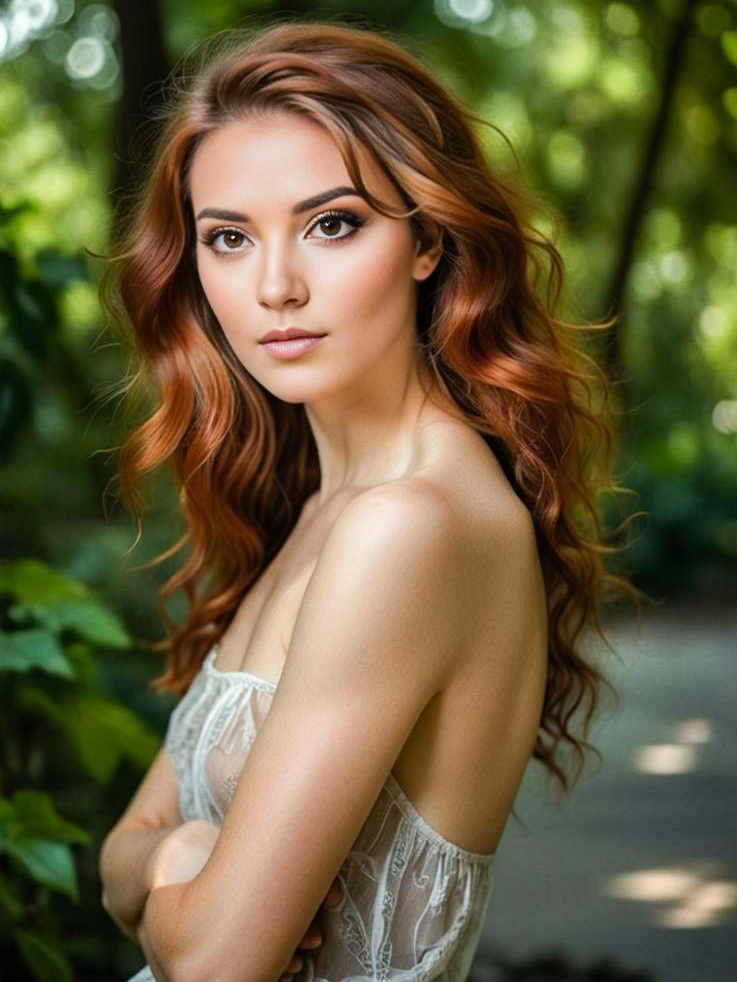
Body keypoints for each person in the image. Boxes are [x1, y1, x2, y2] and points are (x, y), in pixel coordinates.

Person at [97, 18, 634, 982]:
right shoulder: (320, 509)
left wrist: (166, 878)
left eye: (331, 224)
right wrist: (174, 861)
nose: (275, 286)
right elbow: (123, 848)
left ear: (426, 240)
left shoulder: (410, 527)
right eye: (228, 238)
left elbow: (219, 962)